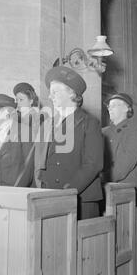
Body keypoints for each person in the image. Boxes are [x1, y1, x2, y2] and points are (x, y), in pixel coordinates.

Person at [34, 66, 104, 220]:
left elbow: (94, 164)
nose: (50, 97)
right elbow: (40, 162)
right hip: (50, 196)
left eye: (55, 92)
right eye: (50, 93)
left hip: (79, 198)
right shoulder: (47, 124)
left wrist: (68, 191)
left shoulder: (89, 123)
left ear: (71, 92)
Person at [102, 93, 137, 205]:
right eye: (109, 106)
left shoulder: (134, 130)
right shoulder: (103, 132)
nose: (110, 109)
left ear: (127, 108)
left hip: (126, 190)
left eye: (114, 105)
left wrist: (100, 180)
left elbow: (125, 162)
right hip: (104, 190)